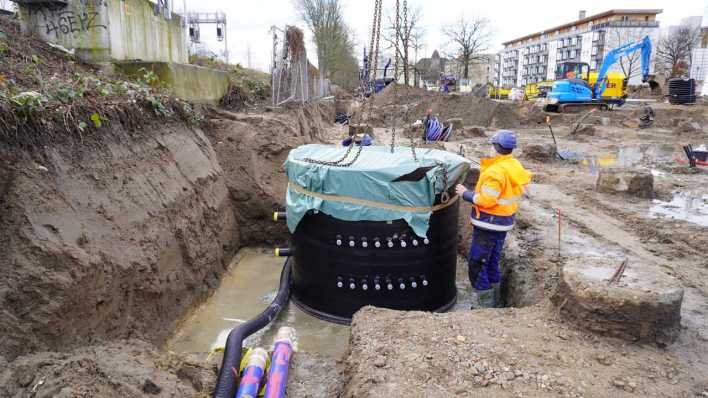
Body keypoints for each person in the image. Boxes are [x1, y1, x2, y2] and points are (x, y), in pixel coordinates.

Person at [455, 130, 532, 308]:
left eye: (491, 145)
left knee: (477, 263)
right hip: (503, 222)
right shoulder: (513, 165)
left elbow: (487, 200)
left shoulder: (496, 172)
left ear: (495, 147)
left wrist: (465, 193)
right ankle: (495, 301)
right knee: (491, 261)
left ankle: (484, 306)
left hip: (489, 223)